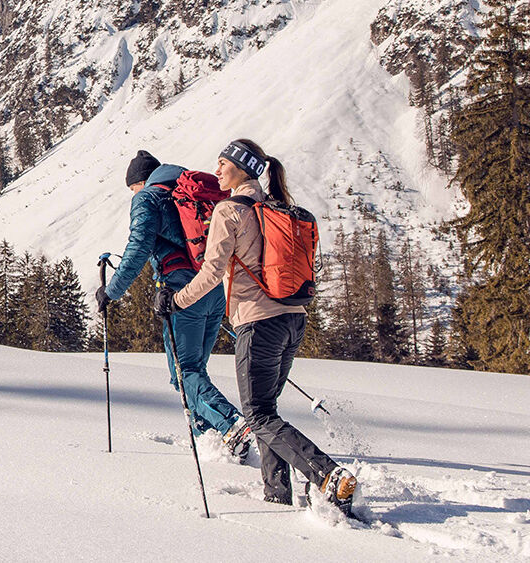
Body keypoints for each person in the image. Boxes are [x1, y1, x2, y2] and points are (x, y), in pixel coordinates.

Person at [167, 139, 358, 510]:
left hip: (259, 323)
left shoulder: (229, 210)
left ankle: (328, 475)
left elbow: (211, 272)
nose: (217, 170)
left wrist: (176, 301)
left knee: (257, 414)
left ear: (241, 169)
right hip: (293, 320)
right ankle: (277, 493)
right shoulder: (274, 207)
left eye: (222, 163)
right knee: (266, 410)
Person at [94, 150, 253, 457]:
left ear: (141, 181)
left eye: (133, 188)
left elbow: (138, 249)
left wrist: (110, 292)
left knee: (184, 372)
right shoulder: (190, 192)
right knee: (194, 371)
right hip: (215, 289)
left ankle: (231, 424)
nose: (133, 194)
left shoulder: (148, 198)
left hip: (182, 296)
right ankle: (212, 441)